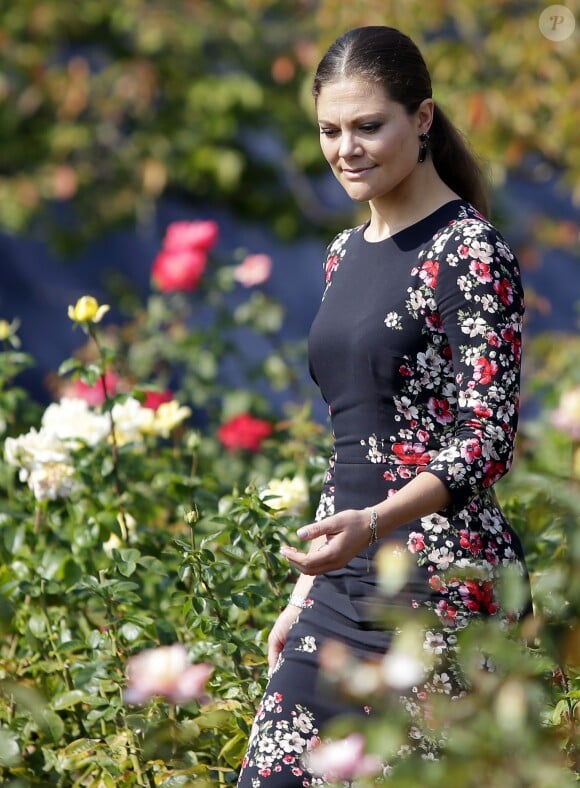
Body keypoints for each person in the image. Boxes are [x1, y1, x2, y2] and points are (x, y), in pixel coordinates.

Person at [237, 25, 529, 786]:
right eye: (330, 131)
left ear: (423, 119)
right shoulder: (342, 252)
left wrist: (372, 523)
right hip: (339, 591)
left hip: (440, 590)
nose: (346, 149)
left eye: (369, 126)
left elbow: (485, 441)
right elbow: (354, 437)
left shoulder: (470, 251)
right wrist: (304, 591)